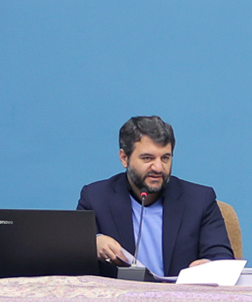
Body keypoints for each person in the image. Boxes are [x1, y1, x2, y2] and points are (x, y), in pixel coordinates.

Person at [77, 116, 234, 276]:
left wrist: (210, 266)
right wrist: (94, 242)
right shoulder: (95, 198)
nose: (158, 168)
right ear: (124, 158)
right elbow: (73, 257)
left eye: (165, 158)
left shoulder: (199, 200)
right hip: (118, 292)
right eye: (147, 158)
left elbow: (222, 257)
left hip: (178, 291)